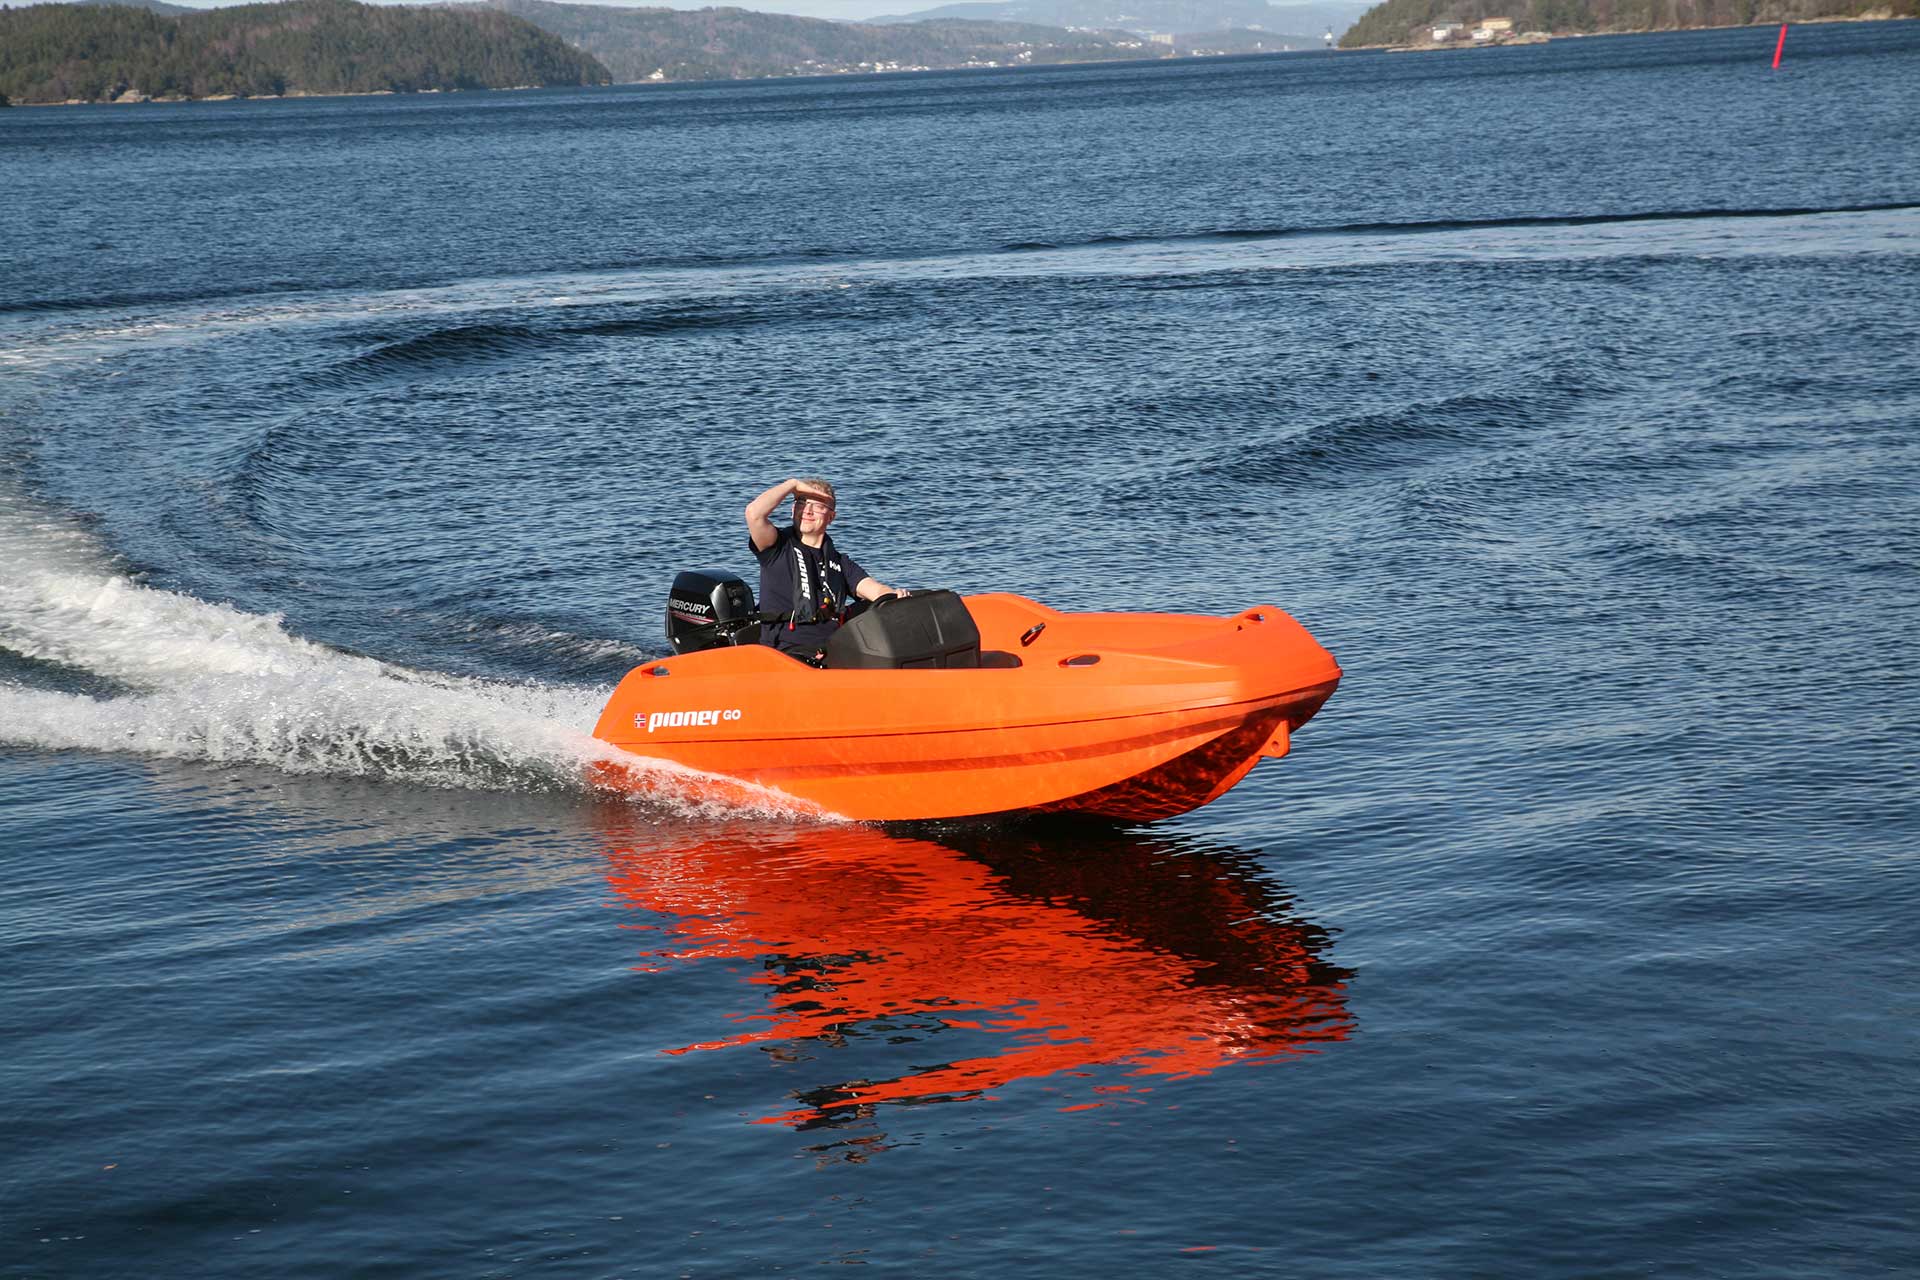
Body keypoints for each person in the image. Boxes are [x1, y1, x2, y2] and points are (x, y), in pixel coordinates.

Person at [745, 477, 905, 663]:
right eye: (802, 502)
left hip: (833, 651)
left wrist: (896, 596)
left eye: (818, 505)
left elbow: (876, 591)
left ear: (831, 517)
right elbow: (753, 514)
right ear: (793, 509)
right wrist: (792, 484)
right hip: (786, 654)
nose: (808, 510)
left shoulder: (840, 563)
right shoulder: (776, 547)